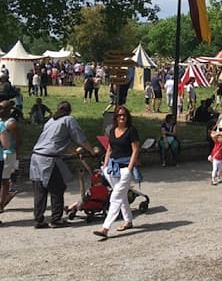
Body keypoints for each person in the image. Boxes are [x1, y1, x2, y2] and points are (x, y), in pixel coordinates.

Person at [30, 101, 100, 228]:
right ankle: (56, 219)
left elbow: (56, 141)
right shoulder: (69, 120)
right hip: (48, 159)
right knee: (57, 187)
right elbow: (80, 138)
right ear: (69, 110)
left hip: (36, 157)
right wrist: (92, 151)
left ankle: (38, 219)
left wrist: (73, 151)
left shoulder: (51, 121)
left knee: (40, 189)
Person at [93, 106, 140, 238]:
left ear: (127, 117)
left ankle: (105, 228)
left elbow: (135, 149)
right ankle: (128, 220)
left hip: (125, 167)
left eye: (124, 115)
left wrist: (130, 168)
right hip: (112, 168)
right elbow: (109, 149)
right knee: (122, 195)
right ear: (115, 117)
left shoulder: (131, 131)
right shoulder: (112, 131)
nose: (122, 117)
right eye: (119, 115)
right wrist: (105, 165)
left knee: (115, 196)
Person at [0, 100, 21, 211]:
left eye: (2, 108)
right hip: (1, 153)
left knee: (5, 179)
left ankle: (1, 203)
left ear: (8, 110)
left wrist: (16, 153)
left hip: (8, 153)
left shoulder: (11, 123)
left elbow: (18, 139)